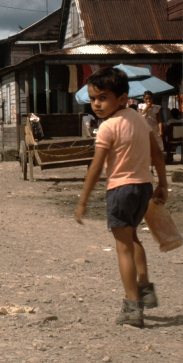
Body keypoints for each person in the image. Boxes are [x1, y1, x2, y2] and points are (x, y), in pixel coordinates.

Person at [75, 67, 167, 328]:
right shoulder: (138, 119)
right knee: (133, 237)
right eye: (93, 98)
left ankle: (132, 306)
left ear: (123, 99)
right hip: (143, 188)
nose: (96, 104)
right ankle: (145, 287)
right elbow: (157, 155)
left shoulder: (107, 128)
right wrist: (162, 184)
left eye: (102, 98)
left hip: (121, 191)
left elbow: (96, 166)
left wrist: (83, 201)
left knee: (123, 247)